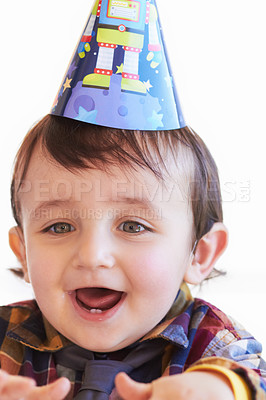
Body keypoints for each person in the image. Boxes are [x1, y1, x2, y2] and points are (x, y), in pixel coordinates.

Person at [0, 114, 265, 399]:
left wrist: (222, 389)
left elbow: (253, 380)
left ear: (199, 254)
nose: (92, 256)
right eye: (60, 227)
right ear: (24, 252)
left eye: (133, 226)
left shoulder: (214, 343)